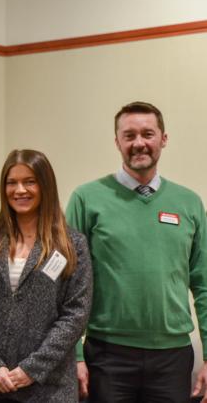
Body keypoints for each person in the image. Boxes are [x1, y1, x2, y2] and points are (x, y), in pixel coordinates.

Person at [67, 101, 207, 403]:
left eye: (148, 134)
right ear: (117, 141)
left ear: (163, 139)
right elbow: (68, 284)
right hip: (107, 356)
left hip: (173, 358)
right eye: (129, 136)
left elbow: (204, 285)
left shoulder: (190, 204)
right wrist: (75, 355)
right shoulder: (86, 199)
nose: (139, 143)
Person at [0, 149, 92, 403]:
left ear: (45, 185)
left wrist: (32, 369)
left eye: (29, 181)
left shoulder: (72, 245)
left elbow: (76, 313)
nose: (20, 190)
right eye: (12, 182)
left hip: (48, 388)